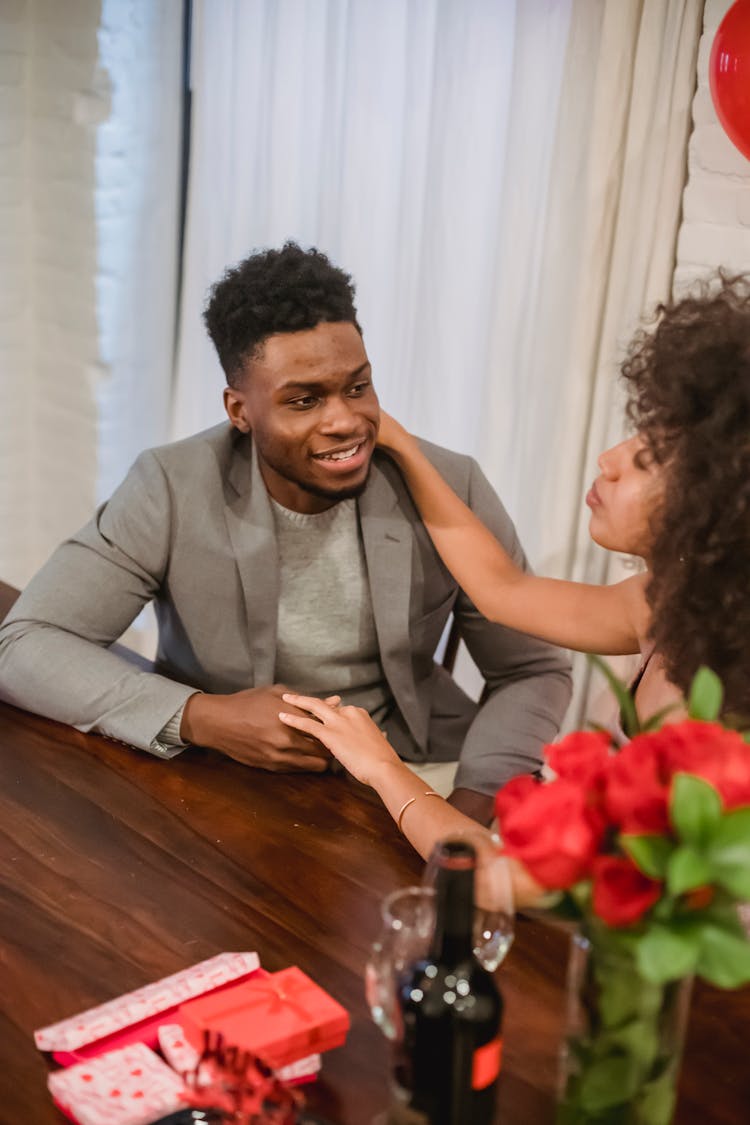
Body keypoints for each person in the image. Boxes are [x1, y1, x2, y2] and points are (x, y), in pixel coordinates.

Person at [0, 242, 571, 824]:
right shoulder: (170, 487)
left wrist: (471, 809)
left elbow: (532, 667)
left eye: (357, 387)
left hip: (416, 768)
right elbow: (25, 646)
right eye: (304, 400)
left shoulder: (450, 484)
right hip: (226, 779)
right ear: (239, 410)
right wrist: (203, 717)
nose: (345, 421)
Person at [277, 274, 750, 893]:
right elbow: (502, 591)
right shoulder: (666, 605)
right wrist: (398, 442)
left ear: (718, 502)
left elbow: (502, 880)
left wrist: (381, 767)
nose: (608, 458)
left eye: (646, 459)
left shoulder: (716, 728)